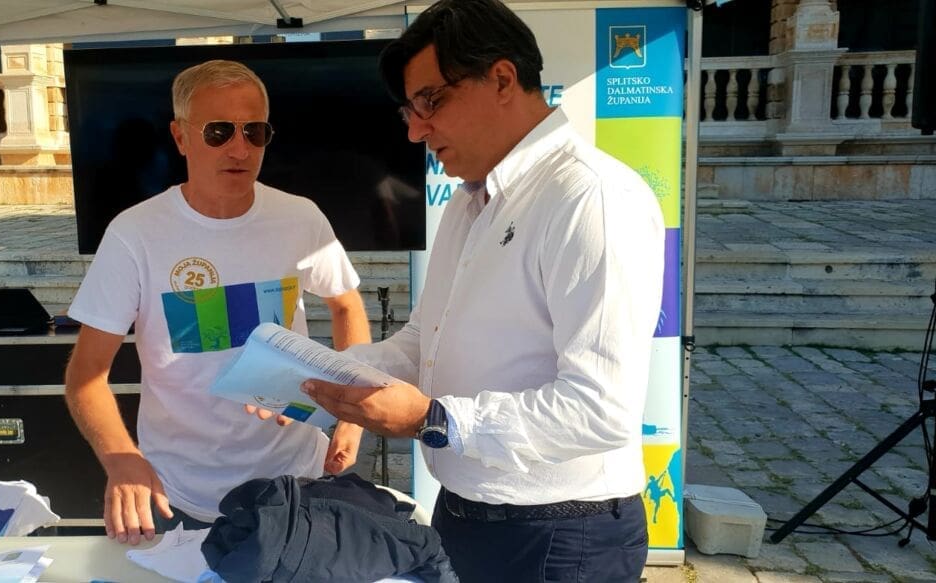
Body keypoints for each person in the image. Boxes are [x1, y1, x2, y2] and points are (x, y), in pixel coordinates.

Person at [300, 1, 665, 580]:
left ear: (501, 79)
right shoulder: (470, 202)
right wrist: (325, 373)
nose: (417, 130)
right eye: (409, 111)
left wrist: (433, 420)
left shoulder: (590, 198)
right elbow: (425, 341)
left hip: (561, 535)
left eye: (431, 101)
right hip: (465, 511)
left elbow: (600, 409)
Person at [65, 59, 370, 545]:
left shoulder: (300, 218)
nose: (240, 149)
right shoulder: (135, 235)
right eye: (219, 131)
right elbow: (85, 375)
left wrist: (351, 411)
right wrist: (122, 460)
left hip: (298, 480)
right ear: (180, 136)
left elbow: (346, 307)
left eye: (255, 132)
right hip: (178, 495)